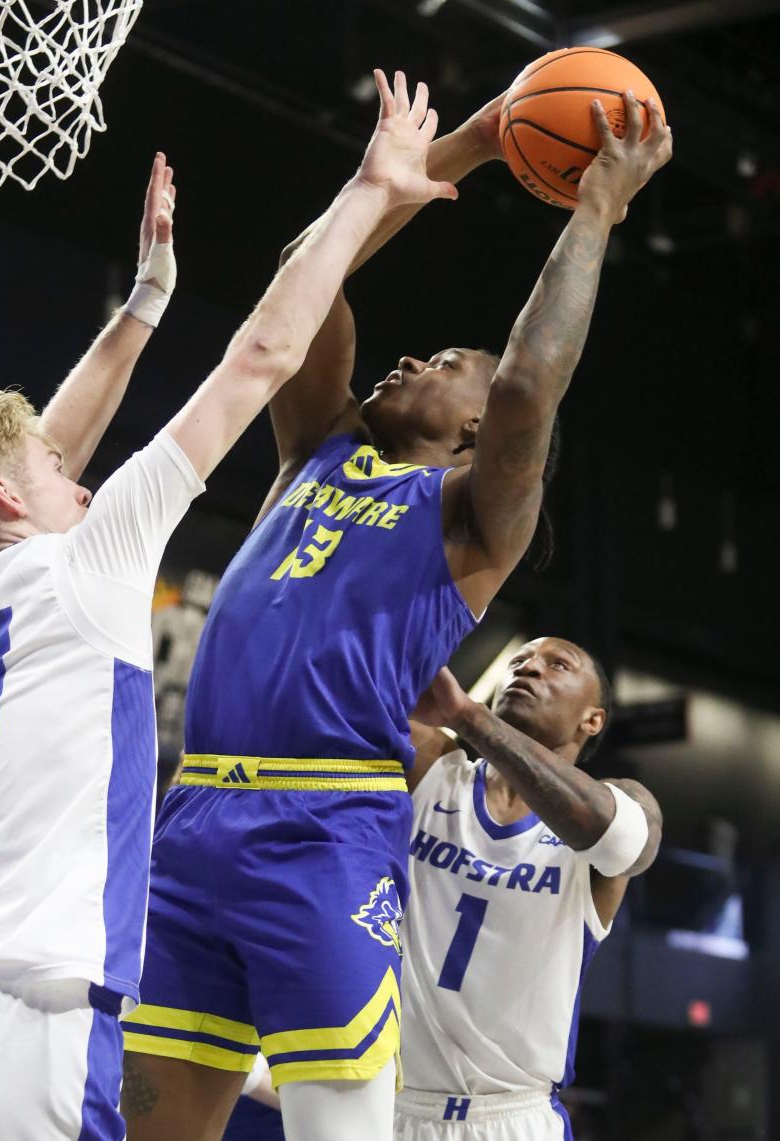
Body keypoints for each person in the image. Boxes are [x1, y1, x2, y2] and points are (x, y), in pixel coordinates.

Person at [0, 71, 459, 1141]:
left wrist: (144, 301)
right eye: (50, 471)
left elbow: (34, 461)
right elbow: (261, 356)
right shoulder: (92, 566)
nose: (76, 473)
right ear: (6, 498)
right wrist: (370, 188)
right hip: (27, 1030)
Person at [122, 93, 673, 1140]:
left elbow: (526, 387)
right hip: (193, 819)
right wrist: (455, 151)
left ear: (472, 427)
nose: (411, 359)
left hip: (321, 826)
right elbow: (308, 268)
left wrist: (594, 207)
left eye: (442, 363)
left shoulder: (469, 521)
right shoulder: (312, 449)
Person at [395, 638, 662, 1140]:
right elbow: (327, 695)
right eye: (519, 661)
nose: (529, 668)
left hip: (512, 1120)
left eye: (557, 664)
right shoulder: (437, 766)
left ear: (593, 719)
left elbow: (624, 844)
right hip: (395, 1107)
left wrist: (466, 715)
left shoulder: (621, 803)